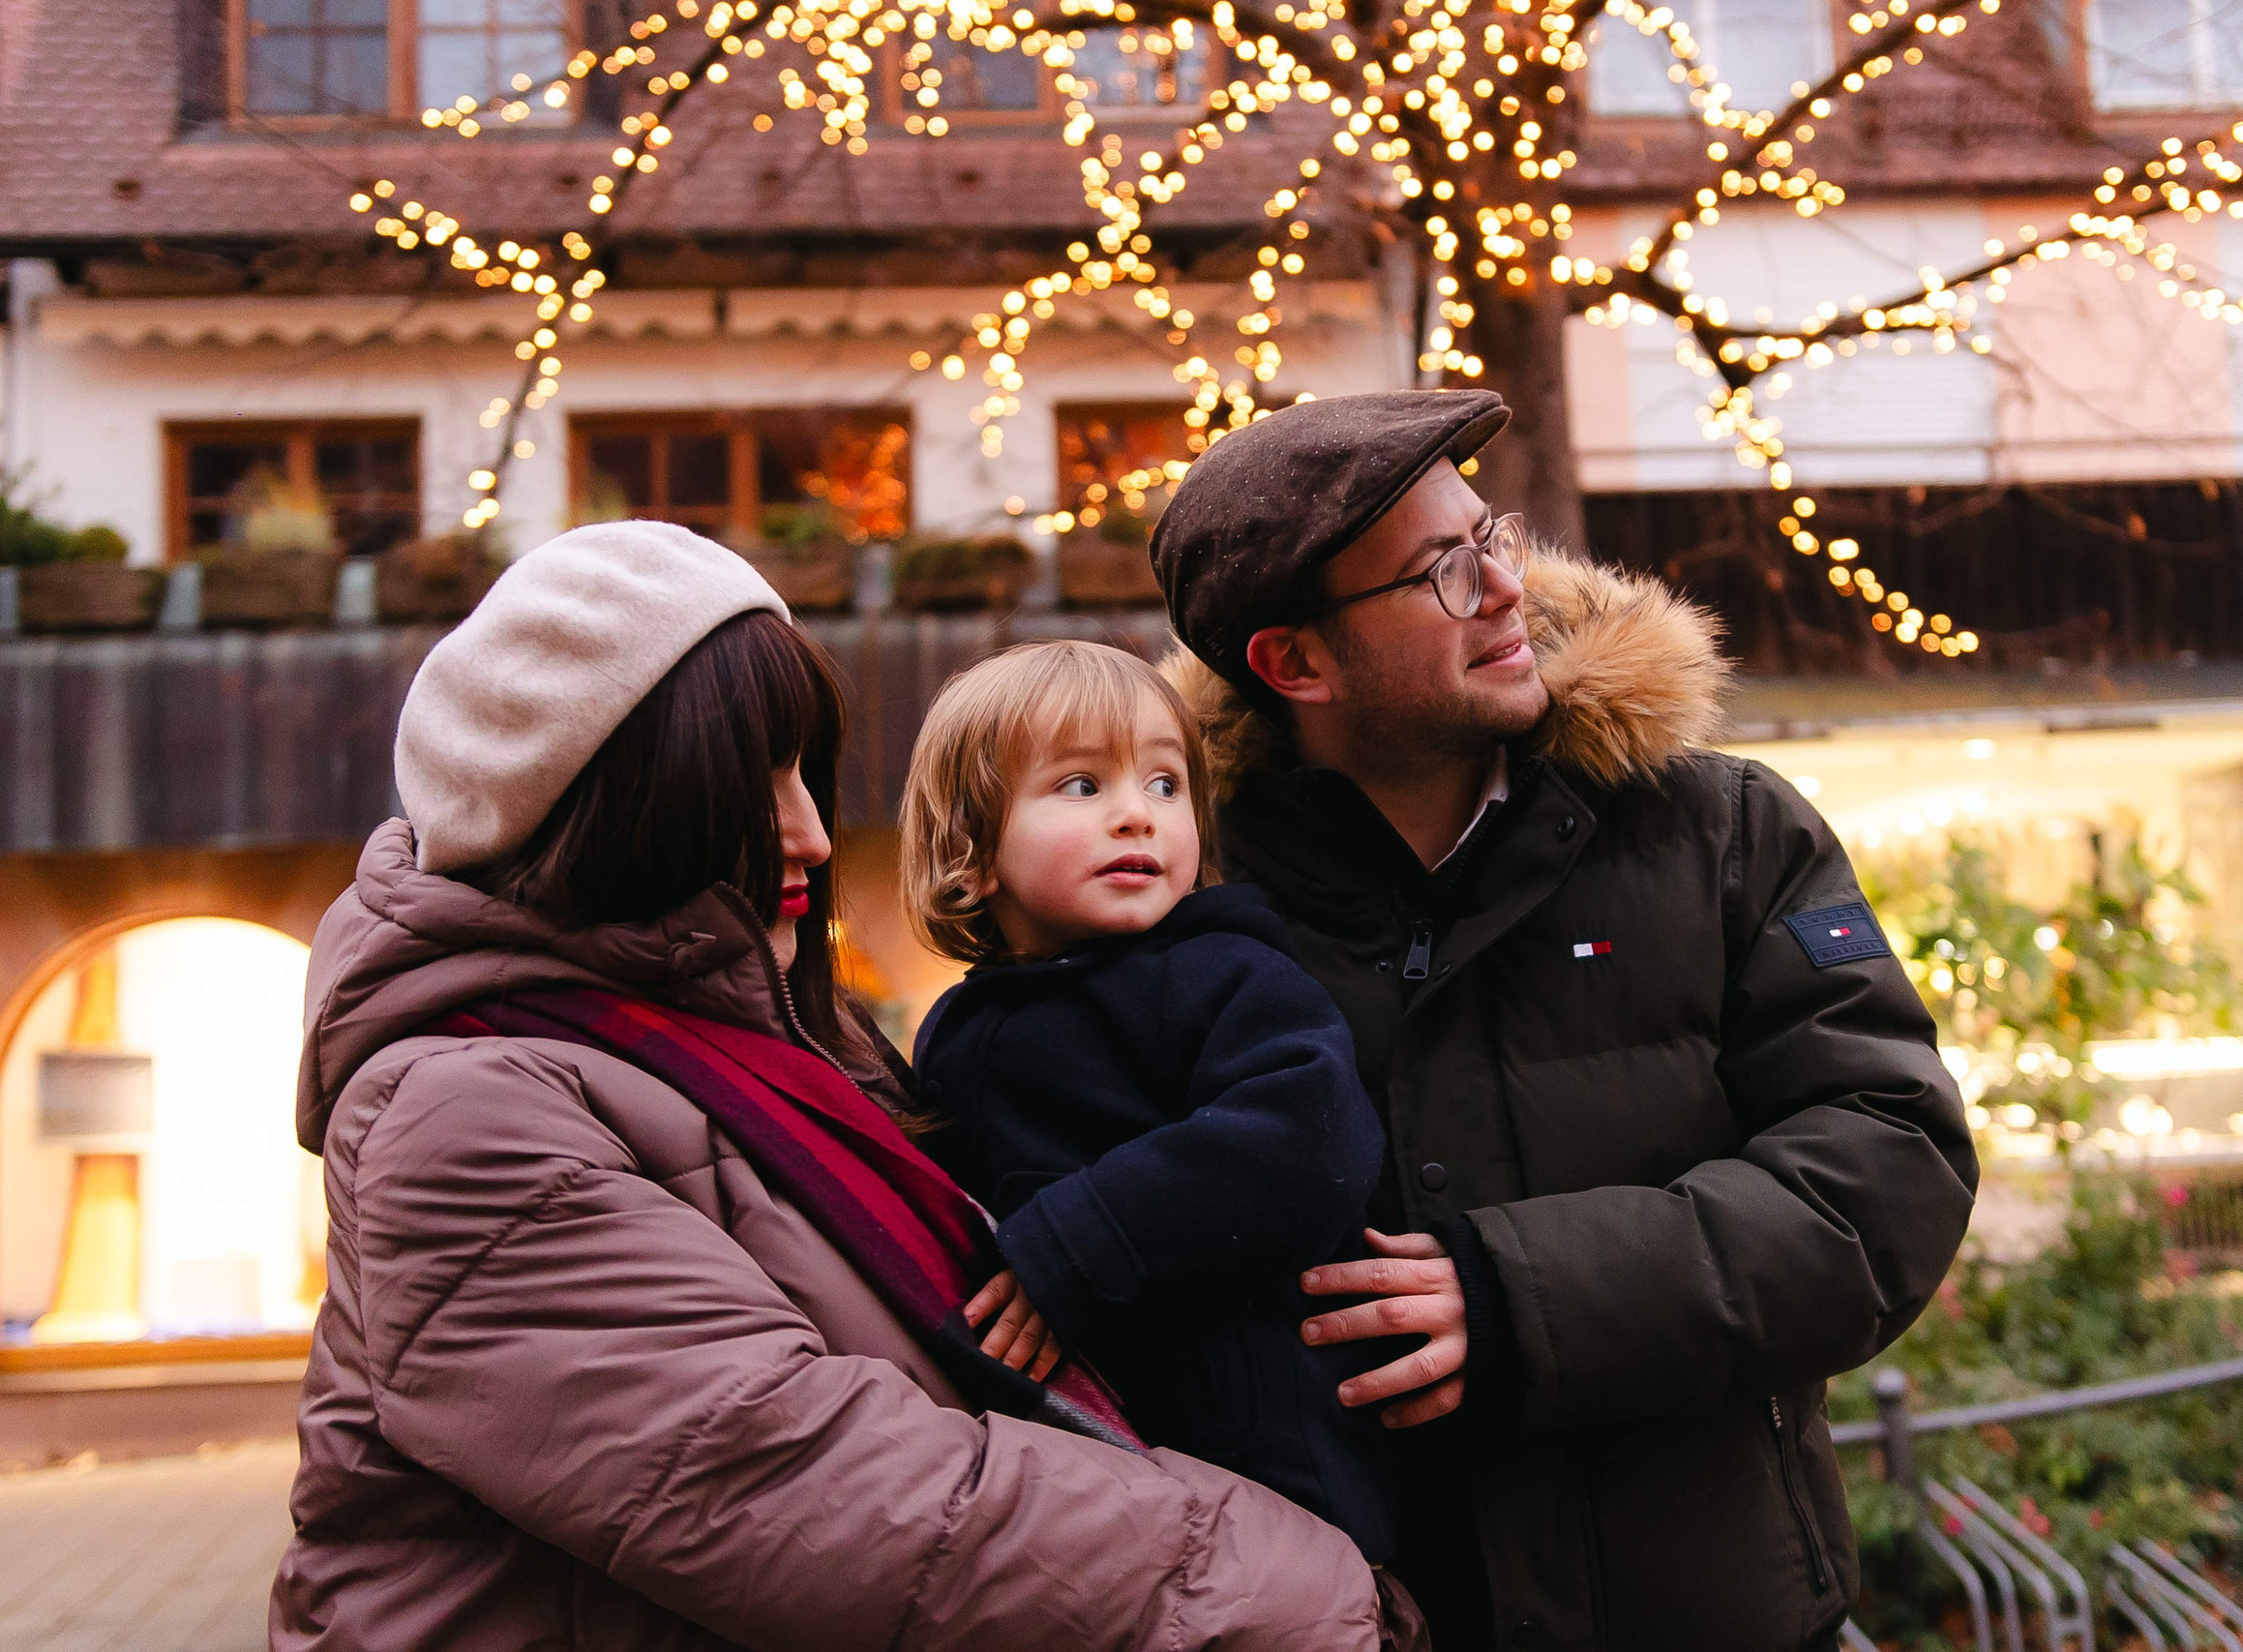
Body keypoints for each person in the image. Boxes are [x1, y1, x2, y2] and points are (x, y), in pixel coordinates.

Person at [272, 521, 1389, 1652]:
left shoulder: (775, 1048)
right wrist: (1295, 1586)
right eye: (752, 784)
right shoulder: (469, 1111)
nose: (808, 831)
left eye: (806, 772)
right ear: (619, 799)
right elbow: (804, 1485)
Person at [1147, 389, 1980, 1652]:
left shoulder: (1723, 829)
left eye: (1494, 537)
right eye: (1439, 571)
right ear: (1293, 662)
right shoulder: (1186, 913)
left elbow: (1890, 1168)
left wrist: (1521, 1296)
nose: (1501, 589)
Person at [897, 640, 1406, 1572]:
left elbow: (1311, 1134)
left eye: (1166, 785)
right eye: (1081, 786)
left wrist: (1080, 1246)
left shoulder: (1222, 970)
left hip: (1275, 1458)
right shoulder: (956, 1032)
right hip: (1089, 1475)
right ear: (972, 850)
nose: (1137, 813)